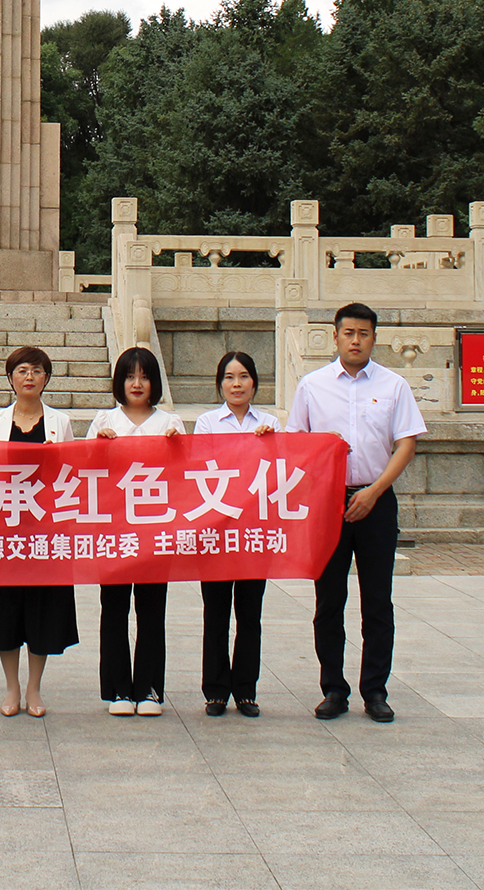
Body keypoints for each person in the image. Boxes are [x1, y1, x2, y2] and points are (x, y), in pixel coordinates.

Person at [285, 302, 426, 724]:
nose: (355, 340)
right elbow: (294, 445)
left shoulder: (394, 385)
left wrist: (374, 491)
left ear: (374, 338)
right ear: (335, 337)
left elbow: (406, 444)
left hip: (376, 500)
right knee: (329, 600)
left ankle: (375, 691)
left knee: (378, 602)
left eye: (364, 333)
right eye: (348, 333)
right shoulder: (312, 386)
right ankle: (333, 689)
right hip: (327, 504)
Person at [0, 346, 79, 717]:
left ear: (46, 378)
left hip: (46, 529)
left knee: (42, 608)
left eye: (36, 370)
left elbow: (71, 475)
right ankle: (12, 687)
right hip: (4, 527)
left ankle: (34, 688)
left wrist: (55, 458)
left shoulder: (60, 422)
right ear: (10, 378)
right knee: (4, 608)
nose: (29, 377)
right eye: (21, 370)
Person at [87, 346, 184, 716]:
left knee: (151, 610)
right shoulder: (104, 420)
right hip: (114, 530)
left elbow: (186, 475)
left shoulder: (170, 422)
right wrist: (98, 447)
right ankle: (118, 691)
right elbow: (86, 474)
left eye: (144, 376)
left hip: (156, 532)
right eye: (130, 376)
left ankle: (149, 690)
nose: (137, 383)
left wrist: (177, 448)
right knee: (113, 609)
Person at [193, 350, 275, 717]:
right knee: (216, 613)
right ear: (220, 384)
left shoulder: (270, 423)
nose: (236, 384)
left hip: (255, 533)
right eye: (229, 377)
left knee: (249, 614)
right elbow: (202, 468)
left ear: (254, 383)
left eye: (243, 377)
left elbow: (279, 472)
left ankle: (245, 690)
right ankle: (215, 691)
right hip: (217, 533)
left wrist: (269, 443)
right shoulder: (207, 423)